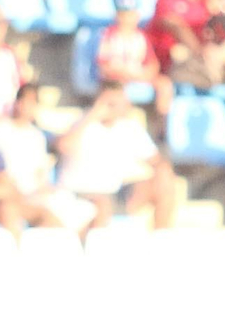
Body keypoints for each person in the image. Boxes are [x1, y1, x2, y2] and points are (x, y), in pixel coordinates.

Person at [56, 82, 177, 231]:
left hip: (118, 192)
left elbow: (156, 161)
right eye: (110, 103)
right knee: (102, 205)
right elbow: (64, 146)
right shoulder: (83, 123)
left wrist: (162, 170)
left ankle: (161, 237)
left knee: (164, 180)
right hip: (83, 192)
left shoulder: (130, 127)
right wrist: (94, 114)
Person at [97, 0, 173, 120]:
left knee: (165, 84)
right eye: (123, 15)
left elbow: (152, 63)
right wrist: (125, 74)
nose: (127, 19)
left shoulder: (140, 36)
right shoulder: (109, 35)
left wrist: (145, 74)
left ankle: (162, 126)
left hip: (138, 74)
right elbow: (104, 65)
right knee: (117, 90)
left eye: (130, 14)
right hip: (117, 78)